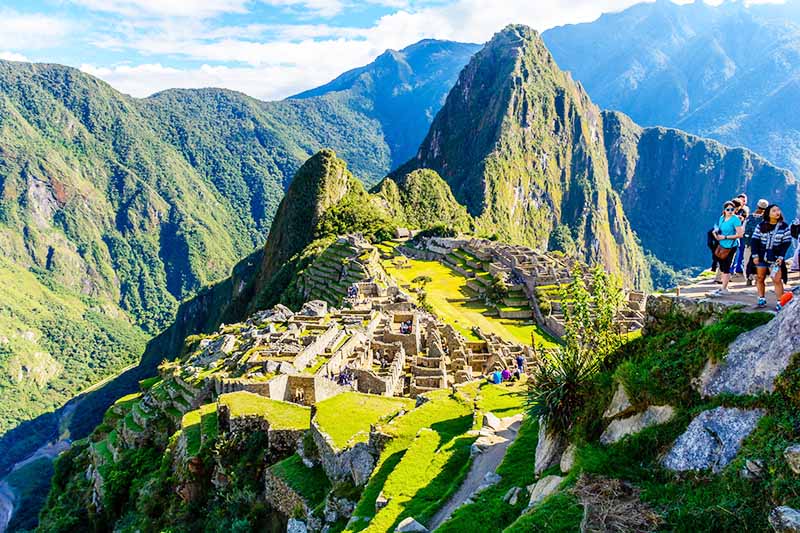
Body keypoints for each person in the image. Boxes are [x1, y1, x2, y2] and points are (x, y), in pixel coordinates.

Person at [752, 204, 793, 309]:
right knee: (760, 277)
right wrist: (755, 255)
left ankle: (780, 302)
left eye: (778, 210)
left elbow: (786, 243)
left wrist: (781, 256)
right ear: (768, 213)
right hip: (761, 255)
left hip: (775, 257)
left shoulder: (784, 227)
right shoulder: (761, 226)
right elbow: (755, 240)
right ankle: (761, 298)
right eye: (774, 211)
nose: (777, 212)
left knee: (777, 279)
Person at [710, 201, 744, 296]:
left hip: (731, 246)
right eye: (728, 209)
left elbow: (740, 234)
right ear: (724, 210)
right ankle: (722, 288)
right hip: (722, 245)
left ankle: (725, 288)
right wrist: (715, 233)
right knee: (721, 265)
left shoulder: (735, 220)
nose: (730, 211)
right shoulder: (722, 218)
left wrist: (725, 237)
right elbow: (719, 229)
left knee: (726, 266)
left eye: (732, 209)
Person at [742, 199, 768, 285]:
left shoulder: (749, 217)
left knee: (747, 261)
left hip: (749, 243)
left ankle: (748, 278)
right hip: (760, 244)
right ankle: (758, 278)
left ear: (757, 206)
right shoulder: (766, 220)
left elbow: (743, 229)